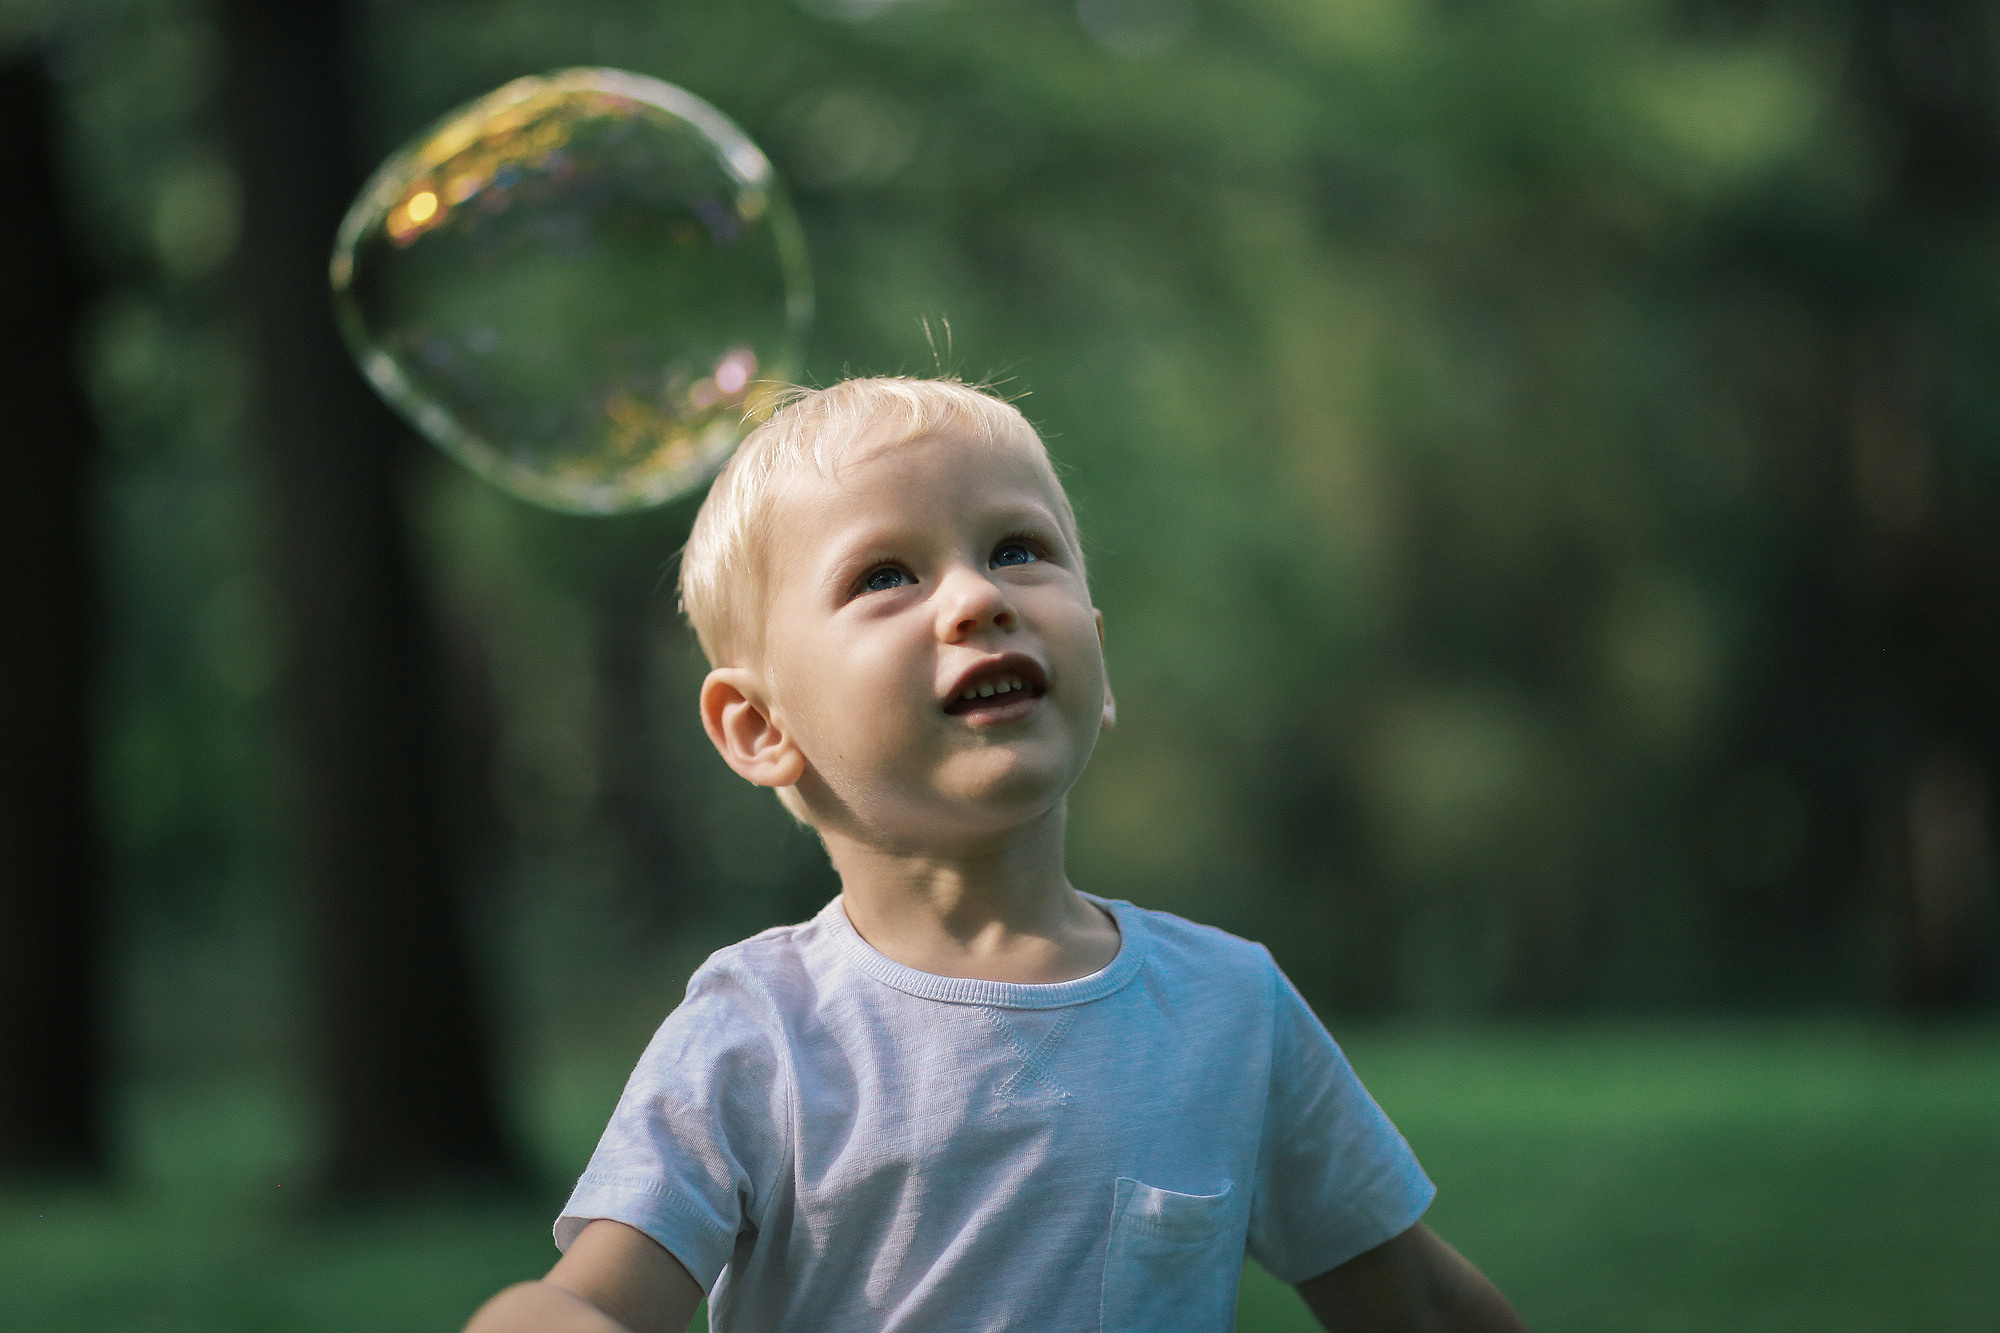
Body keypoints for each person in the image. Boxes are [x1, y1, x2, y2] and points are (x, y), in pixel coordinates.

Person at [464, 377, 1529, 1333]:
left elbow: (1421, 1303)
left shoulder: (1227, 1011)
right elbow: (597, 1296)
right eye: (886, 574)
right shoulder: (759, 1032)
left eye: (1017, 549)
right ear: (758, 726)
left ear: (1098, 666)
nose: (978, 597)